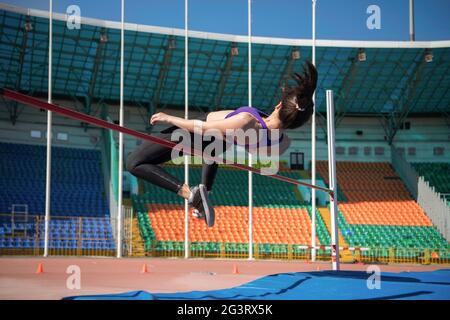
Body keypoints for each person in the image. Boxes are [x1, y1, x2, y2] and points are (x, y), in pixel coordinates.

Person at [126, 61, 318, 228]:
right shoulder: (281, 143)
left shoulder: (246, 120)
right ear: (294, 123)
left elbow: (202, 127)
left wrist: (169, 118)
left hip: (197, 134)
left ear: (278, 105)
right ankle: (204, 195)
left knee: (134, 163)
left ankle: (190, 194)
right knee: (214, 151)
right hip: (217, 147)